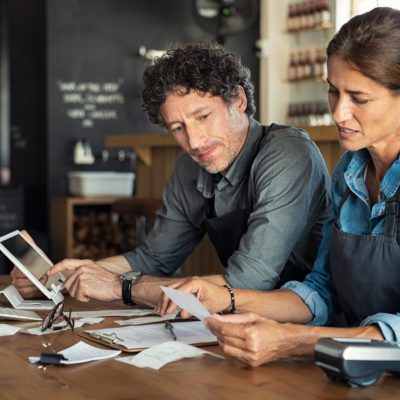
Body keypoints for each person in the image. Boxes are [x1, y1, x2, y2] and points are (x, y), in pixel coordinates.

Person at [158, 7, 400, 367]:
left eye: (359, 99)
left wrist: (295, 341)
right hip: (357, 369)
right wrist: (225, 298)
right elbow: (321, 290)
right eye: (334, 91)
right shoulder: (349, 171)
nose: (338, 113)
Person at [11, 42, 332, 307]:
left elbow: (248, 281)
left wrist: (120, 287)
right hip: (242, 319)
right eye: (178, 128)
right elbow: (154, 257)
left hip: (310, 319)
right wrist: (66, 274)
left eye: (203, 116)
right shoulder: (189, 167)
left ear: (239, 100)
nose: (194, 141)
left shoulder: (287, 153)